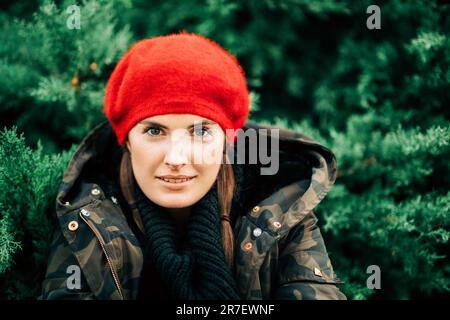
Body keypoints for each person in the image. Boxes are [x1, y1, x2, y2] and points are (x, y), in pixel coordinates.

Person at [40, 32, 346, 300]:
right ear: (128, 141)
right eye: (154, 131)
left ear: (227, 141)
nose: (176, 158)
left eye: (200, 132)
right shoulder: (87, 215)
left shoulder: (279, 204)